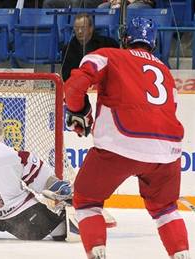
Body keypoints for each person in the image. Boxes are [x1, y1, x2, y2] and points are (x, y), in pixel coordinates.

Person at [63, 17, 190, 258]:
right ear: (153, 42)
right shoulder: (165, 71)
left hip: (121, 142)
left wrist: (79, 111)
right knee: (165, 209)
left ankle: (97, 253)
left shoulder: (107, 55)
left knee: (87, 200)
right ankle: (181, 254)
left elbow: (74, 86)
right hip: (168, 149)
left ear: (125, 37)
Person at [61, 13, 119, 81]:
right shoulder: (68, 48)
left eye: (83, 28)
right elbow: (66, 76)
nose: (79, 31)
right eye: (76, 28)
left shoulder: (108, 44)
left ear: (91, 28)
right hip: (79, 85)